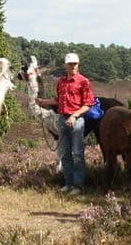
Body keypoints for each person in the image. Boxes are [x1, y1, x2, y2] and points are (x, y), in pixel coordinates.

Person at [37, 52, 95, 195]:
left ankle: (78, 186)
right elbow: (59, 100)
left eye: (74, 64)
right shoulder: (61, 82)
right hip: (63, 119)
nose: (72, 66)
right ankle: (69, 184)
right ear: (65, 65)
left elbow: (88, 104)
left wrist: (74, 116)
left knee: (77, 154)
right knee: (65, 154)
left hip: (77, 120)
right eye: (70, 64)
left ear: (78, 64)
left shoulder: (83, 82)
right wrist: (44, 102)